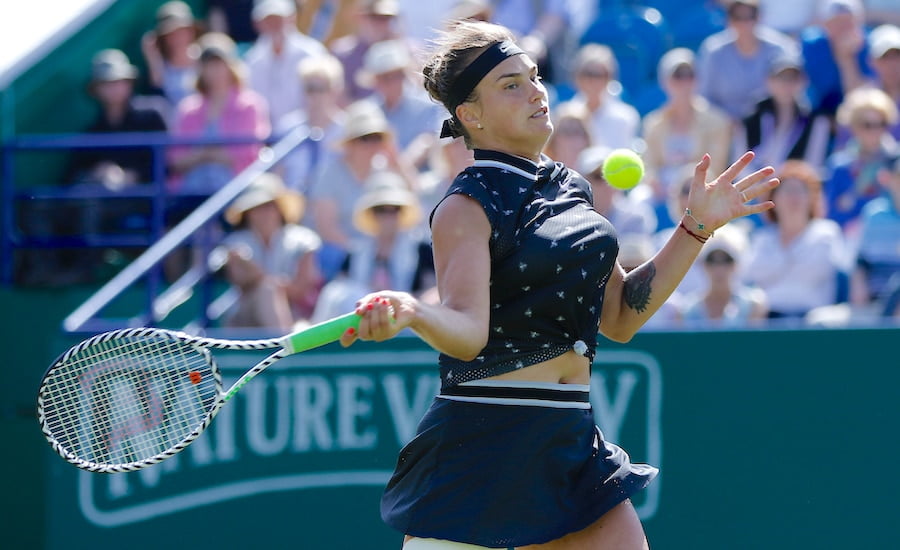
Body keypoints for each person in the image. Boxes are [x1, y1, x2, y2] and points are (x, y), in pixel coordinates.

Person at [337, 20, 779, 549]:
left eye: (534, 76)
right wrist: (414, 312)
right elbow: (467, 330)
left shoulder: (571, 189)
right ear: (470, 116)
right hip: (482, 448)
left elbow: (620, 317)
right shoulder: (463, 206)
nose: (536, 91)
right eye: (510, 85)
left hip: (569, 444)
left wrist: (694, 227)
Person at [311, 169, 428, 321]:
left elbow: (430, 291)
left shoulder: (422, 249)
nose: (388, 217)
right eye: (381, 210)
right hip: (364, 321)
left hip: (408, 320)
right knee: (335, 292)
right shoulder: (355, 252)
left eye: (394, 210)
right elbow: (342, 291)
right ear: (372, 214)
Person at [740, 160, 848, 319]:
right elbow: (747, 282)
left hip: (814, 323)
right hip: (767, 322)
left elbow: (840, 281)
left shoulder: (827, 234)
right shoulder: (762, 239)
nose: (794, 197)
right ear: (773, 199)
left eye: (801, 191)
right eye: (787, 191)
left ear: (812, 198)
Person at [214, 172, 322, 329]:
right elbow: (241, 283)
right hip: (246, 318)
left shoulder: (304, 240)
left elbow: (302, 290)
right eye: (256, 208)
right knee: (267, 291)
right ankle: (283, 344)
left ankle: (283, 341)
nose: (263, 213)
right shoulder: (235, 243)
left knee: (270, 291)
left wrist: (262, 276)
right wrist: (273, 285)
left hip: (297, 317)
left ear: (280, 209)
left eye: (268, 206)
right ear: (248, 213)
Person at [168, 32, 271, 195]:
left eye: (219, 64)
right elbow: (175, 159)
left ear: (231, 66)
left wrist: (205, 155)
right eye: (208, 65)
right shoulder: (187, 109)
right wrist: (208, 156)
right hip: (190, 194)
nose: (214, 71)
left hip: (237, 192)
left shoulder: (250, 105)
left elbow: (250, 154)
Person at [642, 47, 732, 229]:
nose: (684, 82)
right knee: (639, 200)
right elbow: (649, 165)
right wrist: (655, 183)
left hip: (699, 186)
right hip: (663, 189)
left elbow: (716, 166)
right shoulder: (653, 122)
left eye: (689, 75)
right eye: (677, 76)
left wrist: (687, 185)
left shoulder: (718, 121)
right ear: (665, 81)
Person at [696, 0, 798, 121]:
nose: (745, 23)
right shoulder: (714, 51)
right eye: (738, 17)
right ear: (728, 20)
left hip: (771, 126)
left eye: (750, 16)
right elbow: (704, 97)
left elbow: (794, 91)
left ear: (759, 17)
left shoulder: (780, 48)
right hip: (724, 128)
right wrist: (728, 122)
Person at [735, 53, 833, 174]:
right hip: (753, 189)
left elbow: (813, 166)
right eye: (781, 78)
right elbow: (740, 165)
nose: (787, 85)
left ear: (804, 82)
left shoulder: (817, 121)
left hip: (793, 190)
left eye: (793, 79)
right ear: (768, 81)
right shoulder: (750, 117)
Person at [823, 86, 899, 231]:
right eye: (867, 125)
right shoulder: (839, 165)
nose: (875, 131)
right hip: (847, 242)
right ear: (853, 126)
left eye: (881, 123)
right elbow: (831, 213)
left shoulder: (896, 162)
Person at [243, 0, 328, 126]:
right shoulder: (252, 61)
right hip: (267, 138)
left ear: (292, 18)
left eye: (278, 18)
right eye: (268, 19)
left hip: (307, 133)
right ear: (258, 23)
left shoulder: (312, 53)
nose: (274, 24)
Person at [274, 53, 348, 192]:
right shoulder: (287, 127)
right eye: (310, 89)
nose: (315, 96)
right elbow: (278, 176)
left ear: (334, 91)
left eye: (321, 89)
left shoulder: (347, 129)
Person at [680, 223, 769, 326]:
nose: (719, 268)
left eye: (727, 260)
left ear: (737, 264)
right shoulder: (686, 309)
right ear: (702, 264)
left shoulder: (754, 305)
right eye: (711, 260)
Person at [556, 44, 640, 150]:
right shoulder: (563, 117)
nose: (593, 80)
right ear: (576, 77)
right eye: (587, 74)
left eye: (600, 75)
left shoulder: (625, 117)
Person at [800, 0, 873, 117]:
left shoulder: (869, 45)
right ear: (825, 24)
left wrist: (846, 60)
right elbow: (816, 94)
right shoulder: (812, 45)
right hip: (819, 114)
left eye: (848, 22)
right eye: (837, 22)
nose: (843, 28)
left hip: (857, 118)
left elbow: (859, 99)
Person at [141, 1, 202, 113]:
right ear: (164, 38)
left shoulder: (205, 59)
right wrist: (153, 60)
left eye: (181, 31)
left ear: (191, 31)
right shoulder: (159, 69)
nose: (177, 38)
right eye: (171, 34)